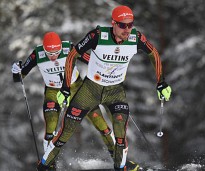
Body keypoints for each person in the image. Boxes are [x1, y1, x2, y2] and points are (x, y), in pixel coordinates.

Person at [37, 5, 172, 171]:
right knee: (66, 131)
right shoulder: (98, 35)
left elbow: (154, 53)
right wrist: (65, 88)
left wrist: (161, 82)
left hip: (115, 91)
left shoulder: (135, 38)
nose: (127, 29)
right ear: (113, 23)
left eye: (130, 25)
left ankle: (121, 167)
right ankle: (43, 166)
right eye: (122, 25)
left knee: (120, 132)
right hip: (91, 89)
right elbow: (73, 55)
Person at [12, 32, 140, 170]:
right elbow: (19, 76)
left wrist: (108, 72)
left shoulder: (69, 49)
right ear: (44, 49)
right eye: (50, 53)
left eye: (57, 52)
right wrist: (16, 71)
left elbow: (91, 60)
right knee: (51, 124)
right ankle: (50, 165)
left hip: (77, 89)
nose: (54, 56)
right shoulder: (37, 54)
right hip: (53, 91)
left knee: (102, 125)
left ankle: (120, 161)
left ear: (61, 47)